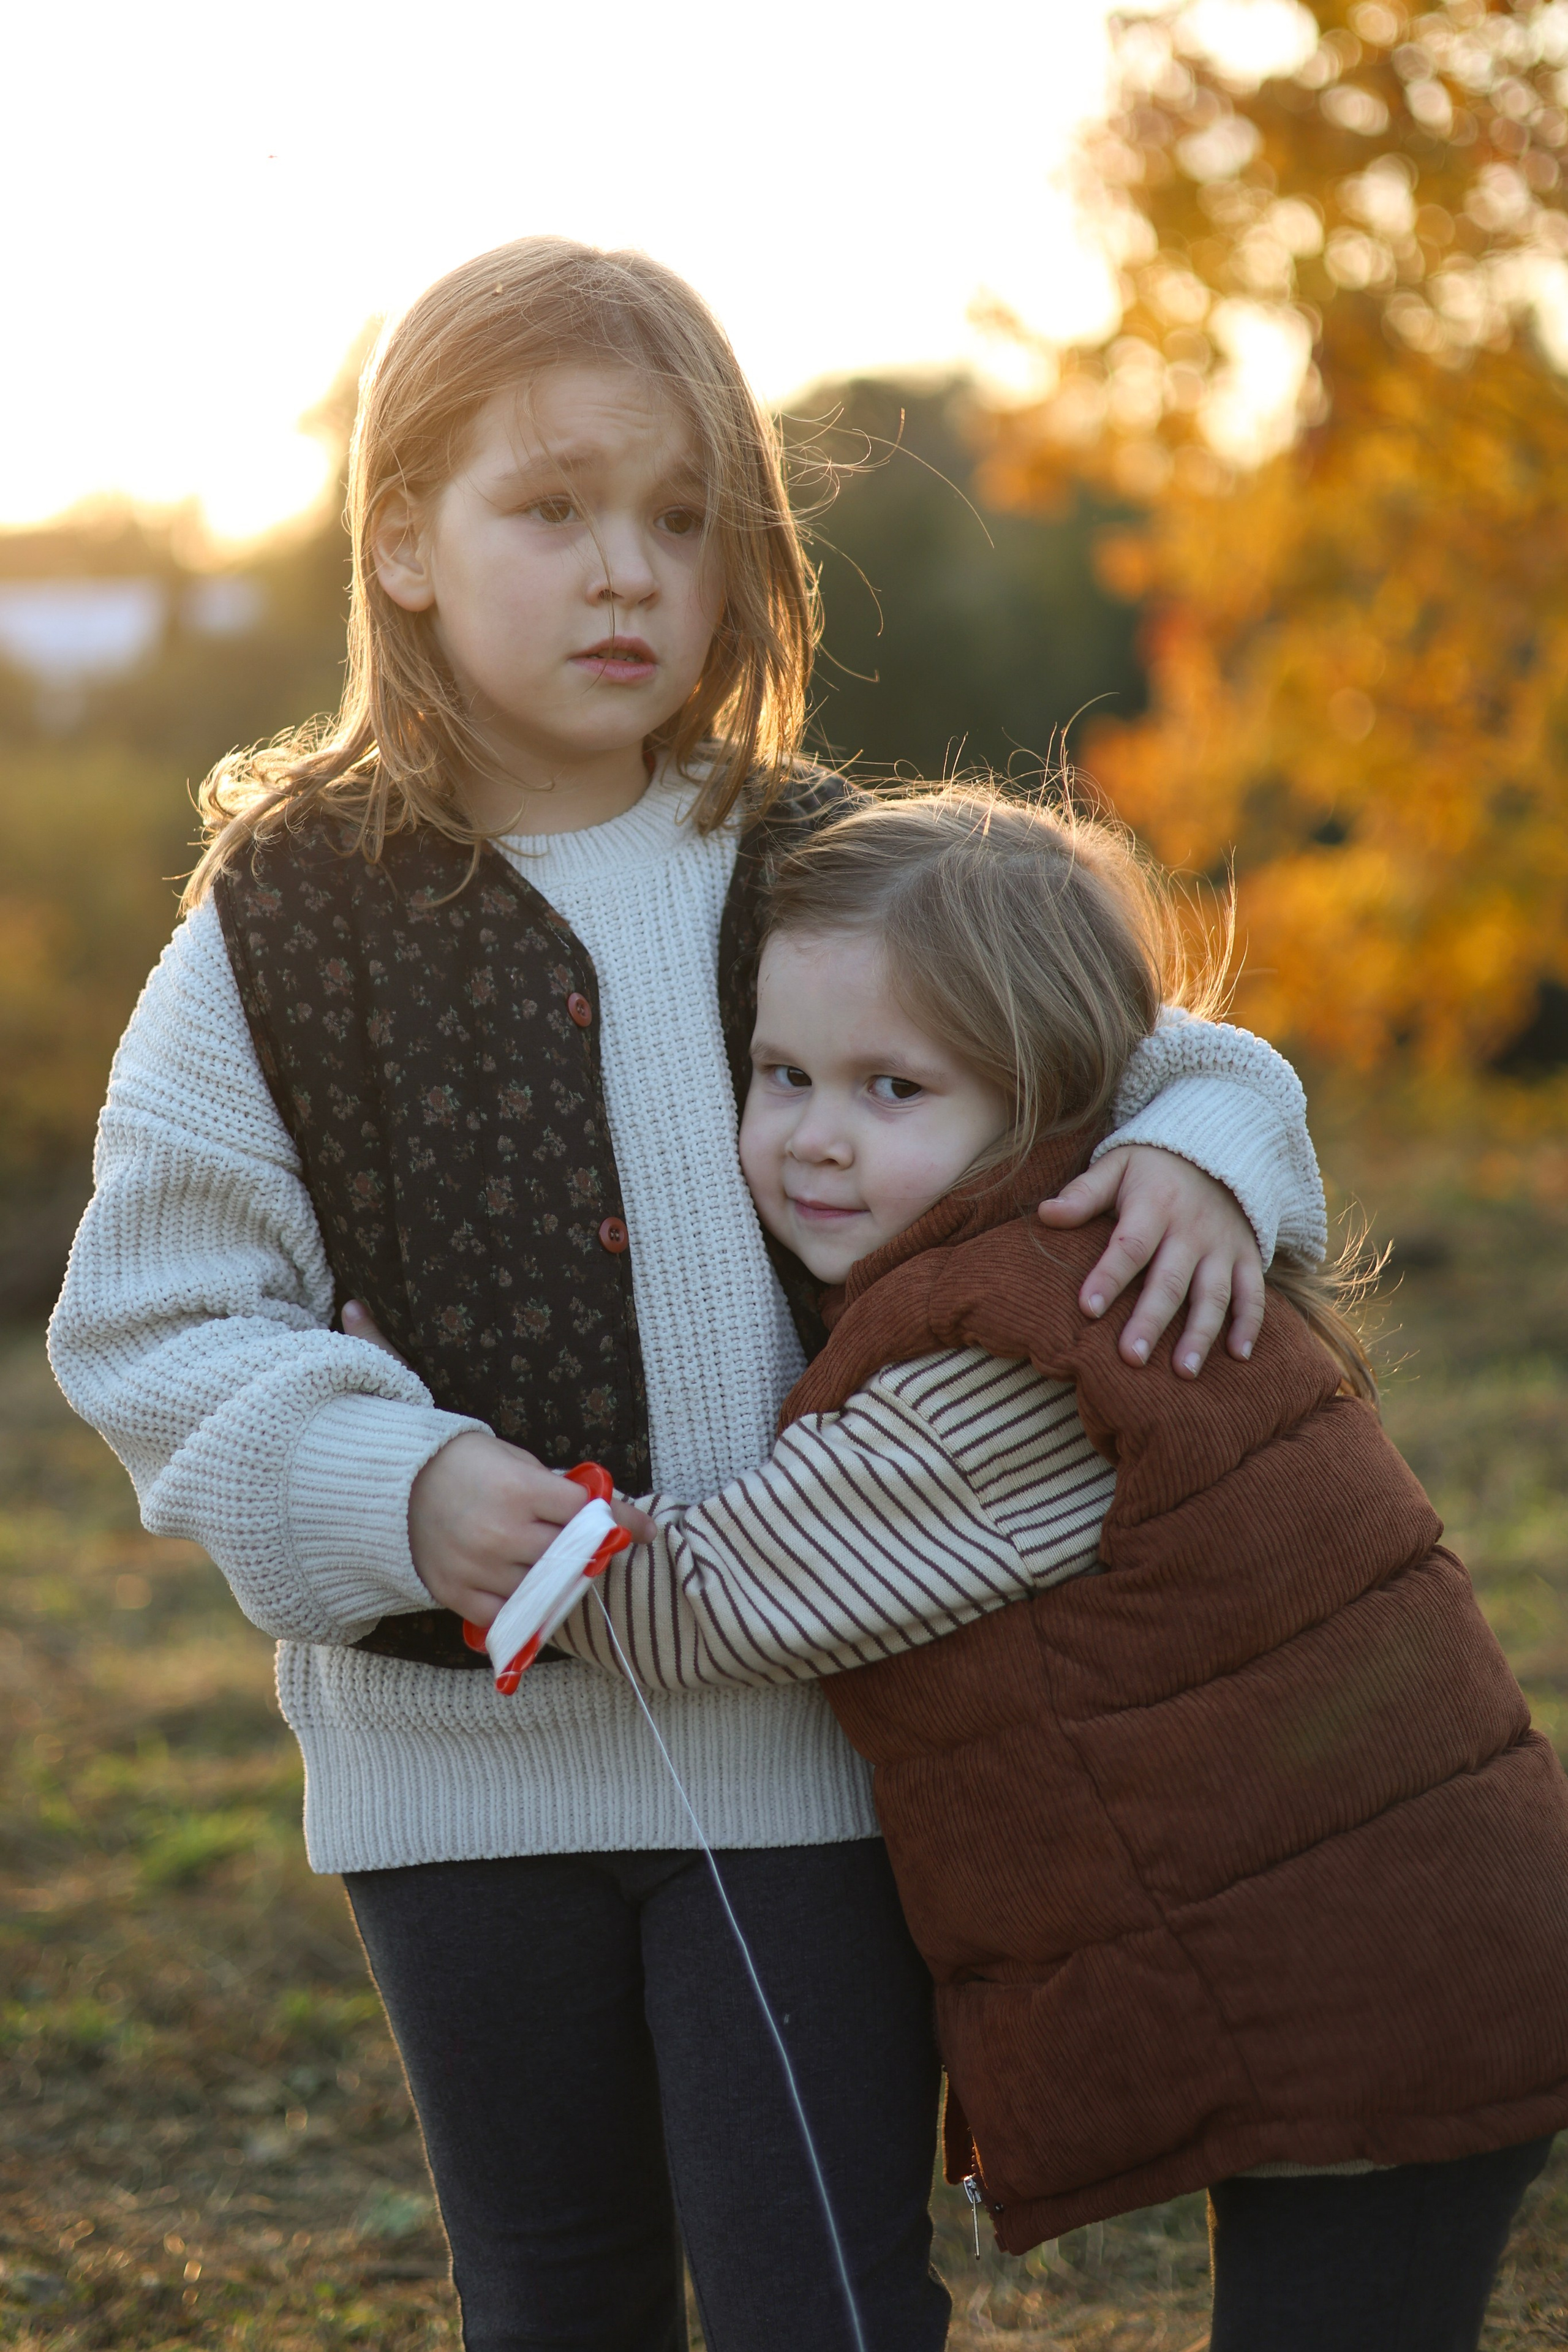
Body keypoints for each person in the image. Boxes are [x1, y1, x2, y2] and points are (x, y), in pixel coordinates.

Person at [49, 239, 1330, 2352]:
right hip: (449, 1775)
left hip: (811, 1756)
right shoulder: (286, 918)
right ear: (403, 539)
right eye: (553, 509)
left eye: (681, 520)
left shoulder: (820, 864)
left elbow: (1164, 1045)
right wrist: (393, 1485)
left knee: (821, 2296)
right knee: (553, 2296)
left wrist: (1208, 1141)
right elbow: (156, 1316)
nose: (627, 573)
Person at [541, 783, 1568, 2352]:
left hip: (1374, 1976)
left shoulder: (1011, 1362)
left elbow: (697, 1603)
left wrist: (427, 1483)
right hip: (1388, 1943)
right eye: (780, 1073)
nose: (814, 1136)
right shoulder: (1070, 1253)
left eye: (893, 1087)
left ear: (1049, 1105)